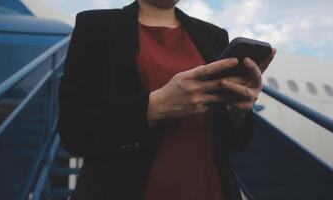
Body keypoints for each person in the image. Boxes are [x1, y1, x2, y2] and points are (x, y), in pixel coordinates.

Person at [57, 0, 276, 200]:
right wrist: (156, 106)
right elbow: (74, 131)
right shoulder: (96, 26)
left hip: (210, 187)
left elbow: (233, 141)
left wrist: (238, 112)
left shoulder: (213, 35)